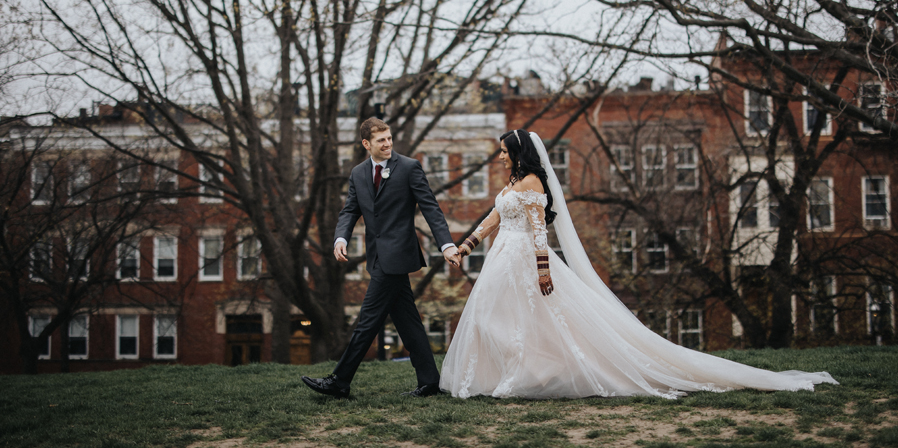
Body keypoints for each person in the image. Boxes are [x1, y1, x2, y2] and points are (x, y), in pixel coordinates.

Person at [439, 129, 838, 399]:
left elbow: (541, 231)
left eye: (506, 150)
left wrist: (544, 270)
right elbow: (494, 218)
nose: (501, 155)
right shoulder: (510, 185)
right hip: (500, 261)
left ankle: (527, 376)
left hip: (525, 260)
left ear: (518, 152)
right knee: (496, 318)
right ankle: (508, 373)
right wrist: (467, 244)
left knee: (530, 321)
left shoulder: (531, 185)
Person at [301, 117, 461, 398]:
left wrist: (446, 244)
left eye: (389, 138)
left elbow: (430, 208)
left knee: (367, 321)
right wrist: (341, 238)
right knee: (408, 322)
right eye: (380, 140)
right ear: (367, 144)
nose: (387, 144)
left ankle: (339, 381)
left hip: (399, 254)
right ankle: (430, 381)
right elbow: (350, 210)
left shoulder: (410, 167)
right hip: (377, 257)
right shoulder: (358, 173)